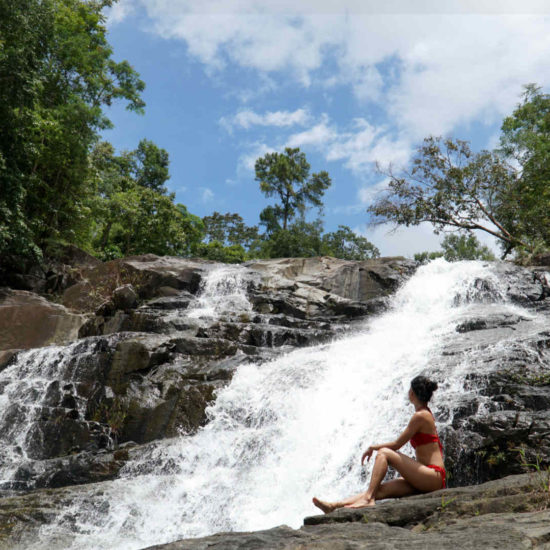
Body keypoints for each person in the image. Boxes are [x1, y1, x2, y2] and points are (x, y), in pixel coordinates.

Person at [312, 375, 445, 512]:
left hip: (433, 476)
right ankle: (334, 506)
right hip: (423, 477)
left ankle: (368, 499)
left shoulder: (421, 416)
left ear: (412, 393)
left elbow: (397, 444)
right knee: (380, 490)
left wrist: (372, 447)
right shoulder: (422, 414)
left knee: (384, 453)